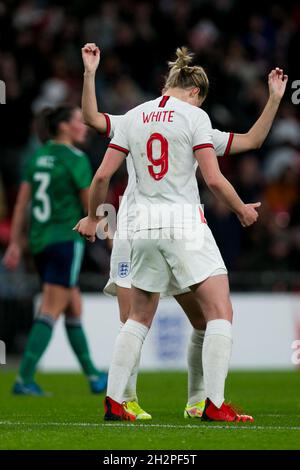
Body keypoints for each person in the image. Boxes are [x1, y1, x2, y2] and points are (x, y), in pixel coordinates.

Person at [80, 44, 287, 419]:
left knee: (138, 319)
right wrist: (241, 209)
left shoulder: (133, 116)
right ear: (195, 93)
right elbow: (214, 177)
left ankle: (116, 401)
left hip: (140, 229)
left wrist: (95, 217)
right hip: (184, 226)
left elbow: (102, 175)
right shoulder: (195, 119)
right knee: (220, 310)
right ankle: (214, 404)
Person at [3, 106, 108, 396]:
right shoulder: (75, 159)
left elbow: (22, 203)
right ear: (63, 127)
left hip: (39, 243)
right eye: (78, 120)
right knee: (51, 308)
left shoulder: (37, 156)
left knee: (72, 305)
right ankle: (24, 377)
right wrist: (110, 233)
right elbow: (93, 203)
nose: (84, 125)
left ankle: (93, 376)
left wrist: (15, 243)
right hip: (65, 240)